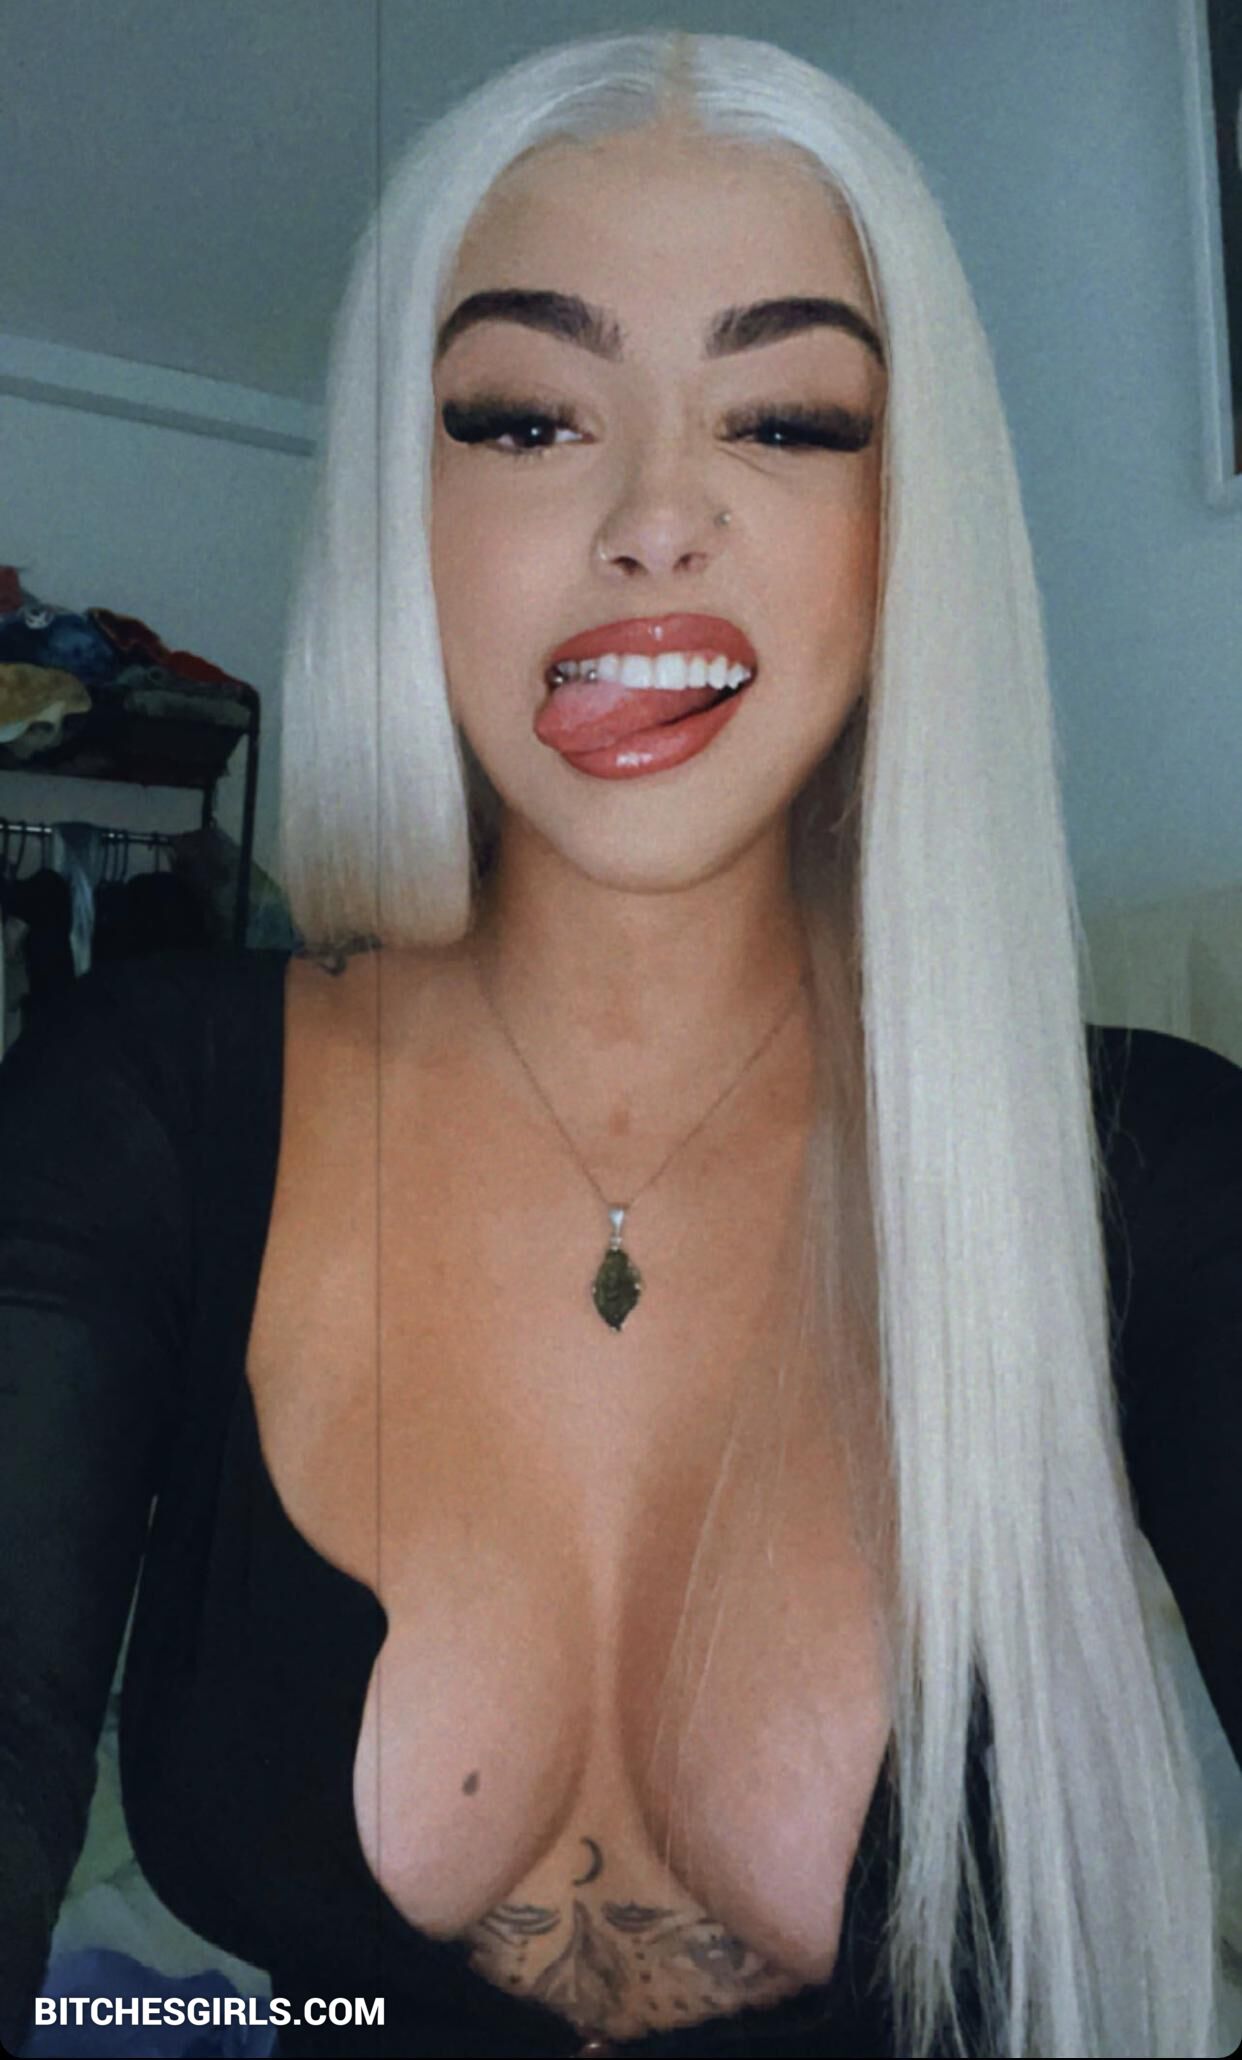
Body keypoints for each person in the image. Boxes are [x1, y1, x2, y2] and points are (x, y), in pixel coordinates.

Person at [1, 27, 1239, 2060]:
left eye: (787, 420)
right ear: (401, 506)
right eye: (524, 417)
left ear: (910, 524)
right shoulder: (141, 1106)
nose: (658, 516)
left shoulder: (1147, 1173)